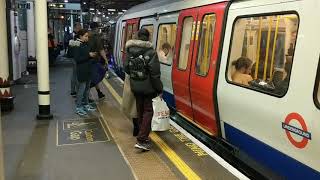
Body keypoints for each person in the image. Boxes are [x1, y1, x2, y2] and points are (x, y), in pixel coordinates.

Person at [124, 28, 163, 151]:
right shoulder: (151, 52)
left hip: (135, 87)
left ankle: (142, 135)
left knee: (140, 111)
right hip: (149, 88)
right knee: (148, 111)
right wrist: (159, 89)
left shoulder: (130, 51)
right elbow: (155, 74)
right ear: (148, 37)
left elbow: (126, 68)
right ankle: (142, 139)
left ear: (137, 36)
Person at [73, 29, 97, 116]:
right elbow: (77, 59)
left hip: (88, 69)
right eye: (86, 36)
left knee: (87, 89)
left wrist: (91, 55)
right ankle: (78, 107)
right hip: (82, 70)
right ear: (80, 36)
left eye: (88, 36)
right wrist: (89, 55)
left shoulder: (85, 44)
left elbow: (86, 55)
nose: (87, 38)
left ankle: (86, 104)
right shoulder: (77, 44)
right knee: (81, 89)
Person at [88, 22, 108, 100]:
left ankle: (99, 93)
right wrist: (106, 60)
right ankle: (86, 95)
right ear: (96, 28)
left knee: (94, 77)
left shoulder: (87, 35)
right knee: (98, 75)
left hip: (87, 60)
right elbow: (101, 50)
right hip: (94, 61)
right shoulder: (96, 37)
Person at [69, 23, 82, 97]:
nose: (80, 28)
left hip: (73, 57)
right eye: (79, 27)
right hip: (75, 58)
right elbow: (76, 47)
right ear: (75, 28)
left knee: (74, 74)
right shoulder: (75, 36)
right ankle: (77, 91)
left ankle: (73, 91)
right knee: (77, 75)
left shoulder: (73, 35)